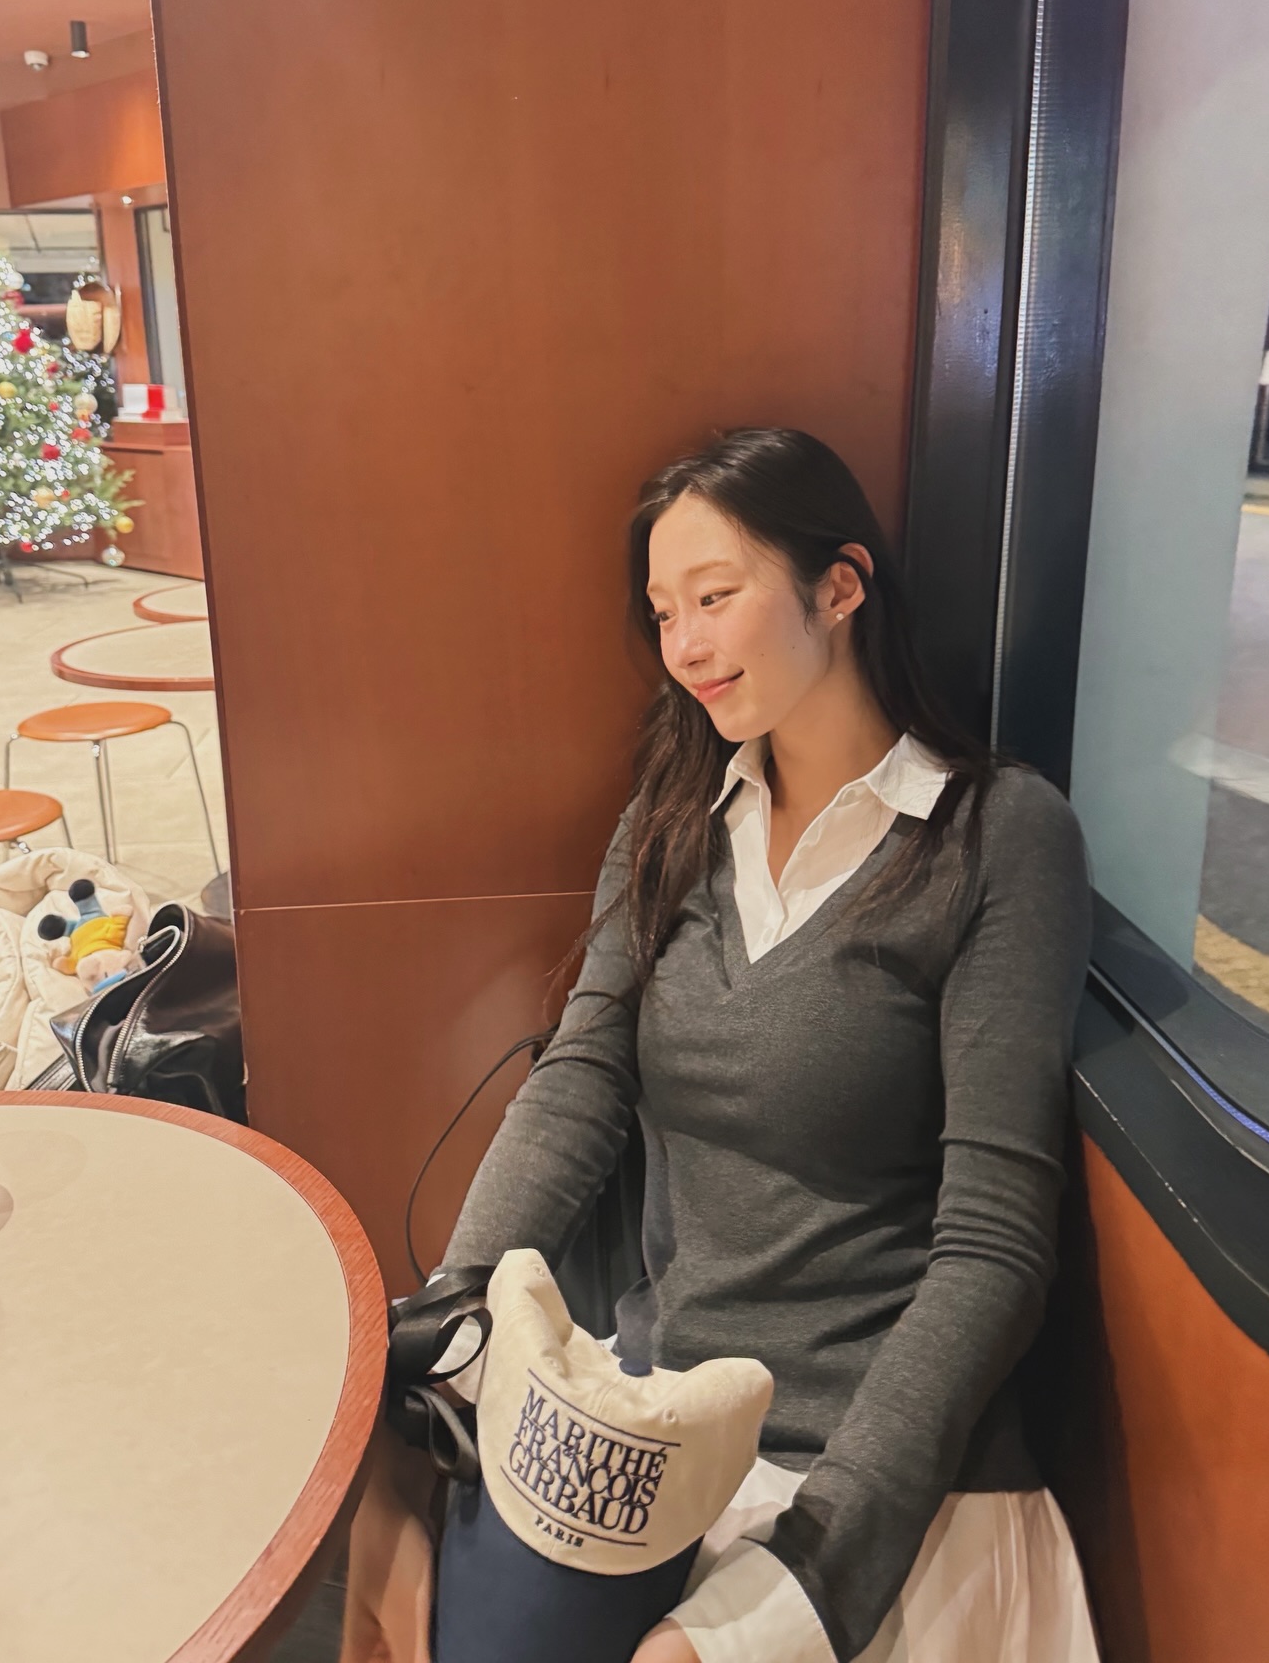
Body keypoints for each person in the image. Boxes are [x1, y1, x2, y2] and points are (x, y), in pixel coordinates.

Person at [418, 427, 1100, 1663]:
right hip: (662, 1421)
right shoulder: (673, 820)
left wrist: (809, 1578)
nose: (683, 646)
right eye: (662, 612)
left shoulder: (999, 836)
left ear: (839, 586)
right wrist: (451, 1321)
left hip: (876, 1471)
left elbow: (996, 1245)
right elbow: (579, 1085)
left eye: (716, 596)